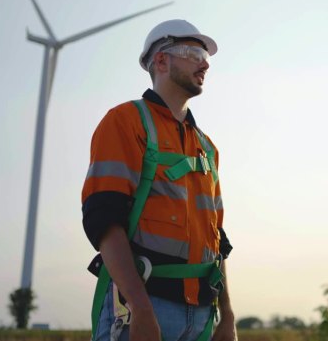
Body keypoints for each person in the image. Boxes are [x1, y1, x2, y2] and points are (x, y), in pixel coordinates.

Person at [82, 19, 236, 341]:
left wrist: (228, 315)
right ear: (162, 60)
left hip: (204, 316)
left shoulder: (207, 147)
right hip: (145, 308)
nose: (205, 63)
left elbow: (217, 240)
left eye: (205, 56)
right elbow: (105, 222)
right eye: (194, 53)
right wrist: (140, 308)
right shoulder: (124, 122)